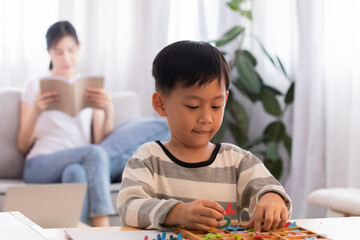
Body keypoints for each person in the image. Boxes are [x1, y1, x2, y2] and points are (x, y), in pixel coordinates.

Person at [117, 40, 292, 232]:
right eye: (193, 106)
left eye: (216, 106)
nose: (206, 118)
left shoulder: (237, 161)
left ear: (225, 100)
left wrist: (272, 199)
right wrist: (177, 212)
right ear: (161, 104)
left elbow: (269, 189)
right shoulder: (148, 158)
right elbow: (129, 207)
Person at [17, 21, 170, 227]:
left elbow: (100, 141)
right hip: (40, 164)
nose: (66, 58)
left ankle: (75, 234)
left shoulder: (89, 87)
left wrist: (108, 109)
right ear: (48, 52)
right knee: (94, 153)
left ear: (78, 48)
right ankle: (102, 228)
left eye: (71, 50)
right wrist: (36, 110)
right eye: (58, 52)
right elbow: (23, 145)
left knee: (77, 173)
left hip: (78, 163)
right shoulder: (34, 85)